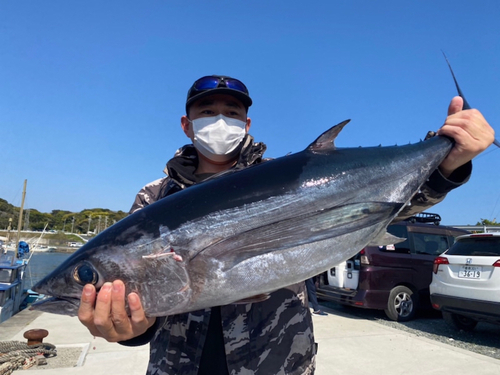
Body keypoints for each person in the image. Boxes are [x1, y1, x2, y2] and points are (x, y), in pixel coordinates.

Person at [77, 74, 495, 375]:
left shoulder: (294, 174)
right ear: (187, 125)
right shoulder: (155, 198)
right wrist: (129, 329)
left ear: (247, 124)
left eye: (232, 112)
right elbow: (142, 300)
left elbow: (388, 207)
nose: (220, 119)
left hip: (278, 362)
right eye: (207, 111)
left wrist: (447, 162)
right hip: (178, 366)